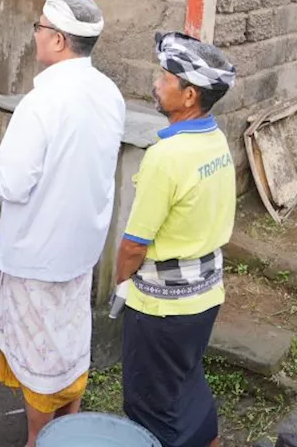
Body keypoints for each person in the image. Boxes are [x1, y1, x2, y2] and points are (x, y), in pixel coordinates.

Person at [0, 0, 126, 447]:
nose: (37, 36)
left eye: (40, 29)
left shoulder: (41, 103)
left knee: (39, 354)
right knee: (69, 340)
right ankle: (71, 425)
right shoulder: (108, 93)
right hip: (81, 246)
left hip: (38, 253)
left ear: (60, 40)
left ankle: (38, 439)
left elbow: (13, 183)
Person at [116, 32, 237, 447]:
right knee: (186, 379)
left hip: (161, 307)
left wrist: (120, 281)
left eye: (165, 77)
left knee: (149, 405)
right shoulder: (215, 140)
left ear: (189, 96)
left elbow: (134, 244)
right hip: (204, 296)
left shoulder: (165, 157)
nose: (156, 83)